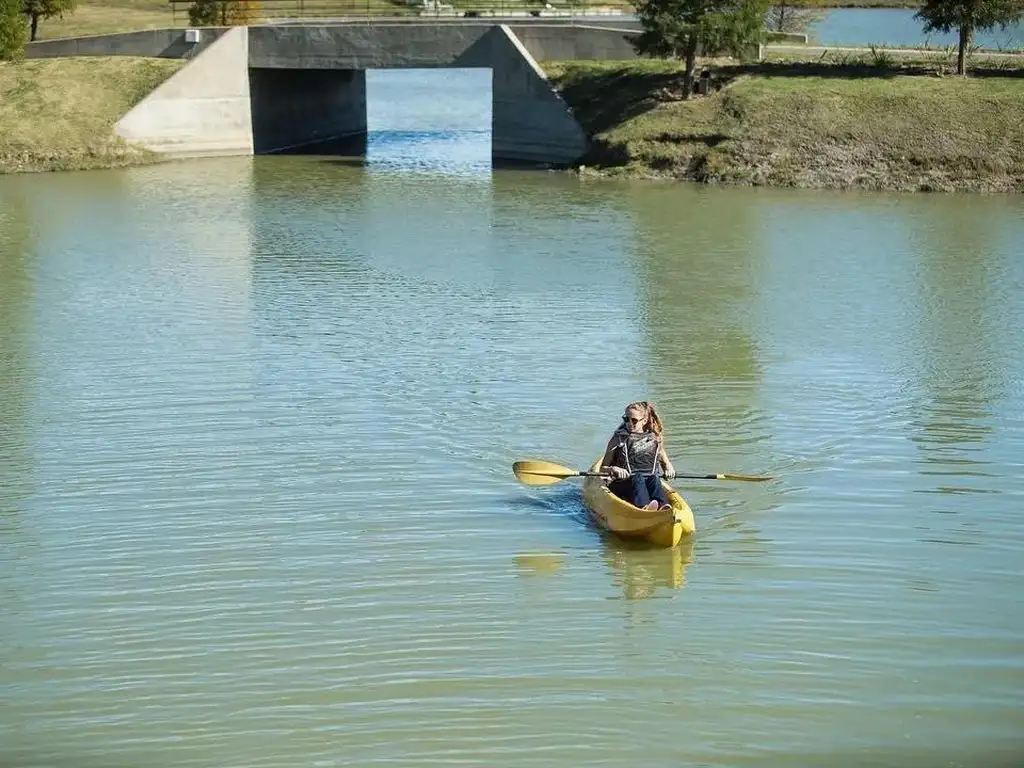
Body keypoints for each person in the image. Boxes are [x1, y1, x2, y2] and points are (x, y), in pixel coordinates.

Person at [600, 400, 676, 510]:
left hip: (645, 484)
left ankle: (663, 506)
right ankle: (644, 508)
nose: (629, 423)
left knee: (654, 478)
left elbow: (665, 462)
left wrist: (669, 469)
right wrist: (614, 468)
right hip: (622, 484)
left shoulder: (654, 438)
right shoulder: (618, 439)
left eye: (634, 420)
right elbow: (602, 469)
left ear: (644, 421)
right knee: (638, 477)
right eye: (626, 419)